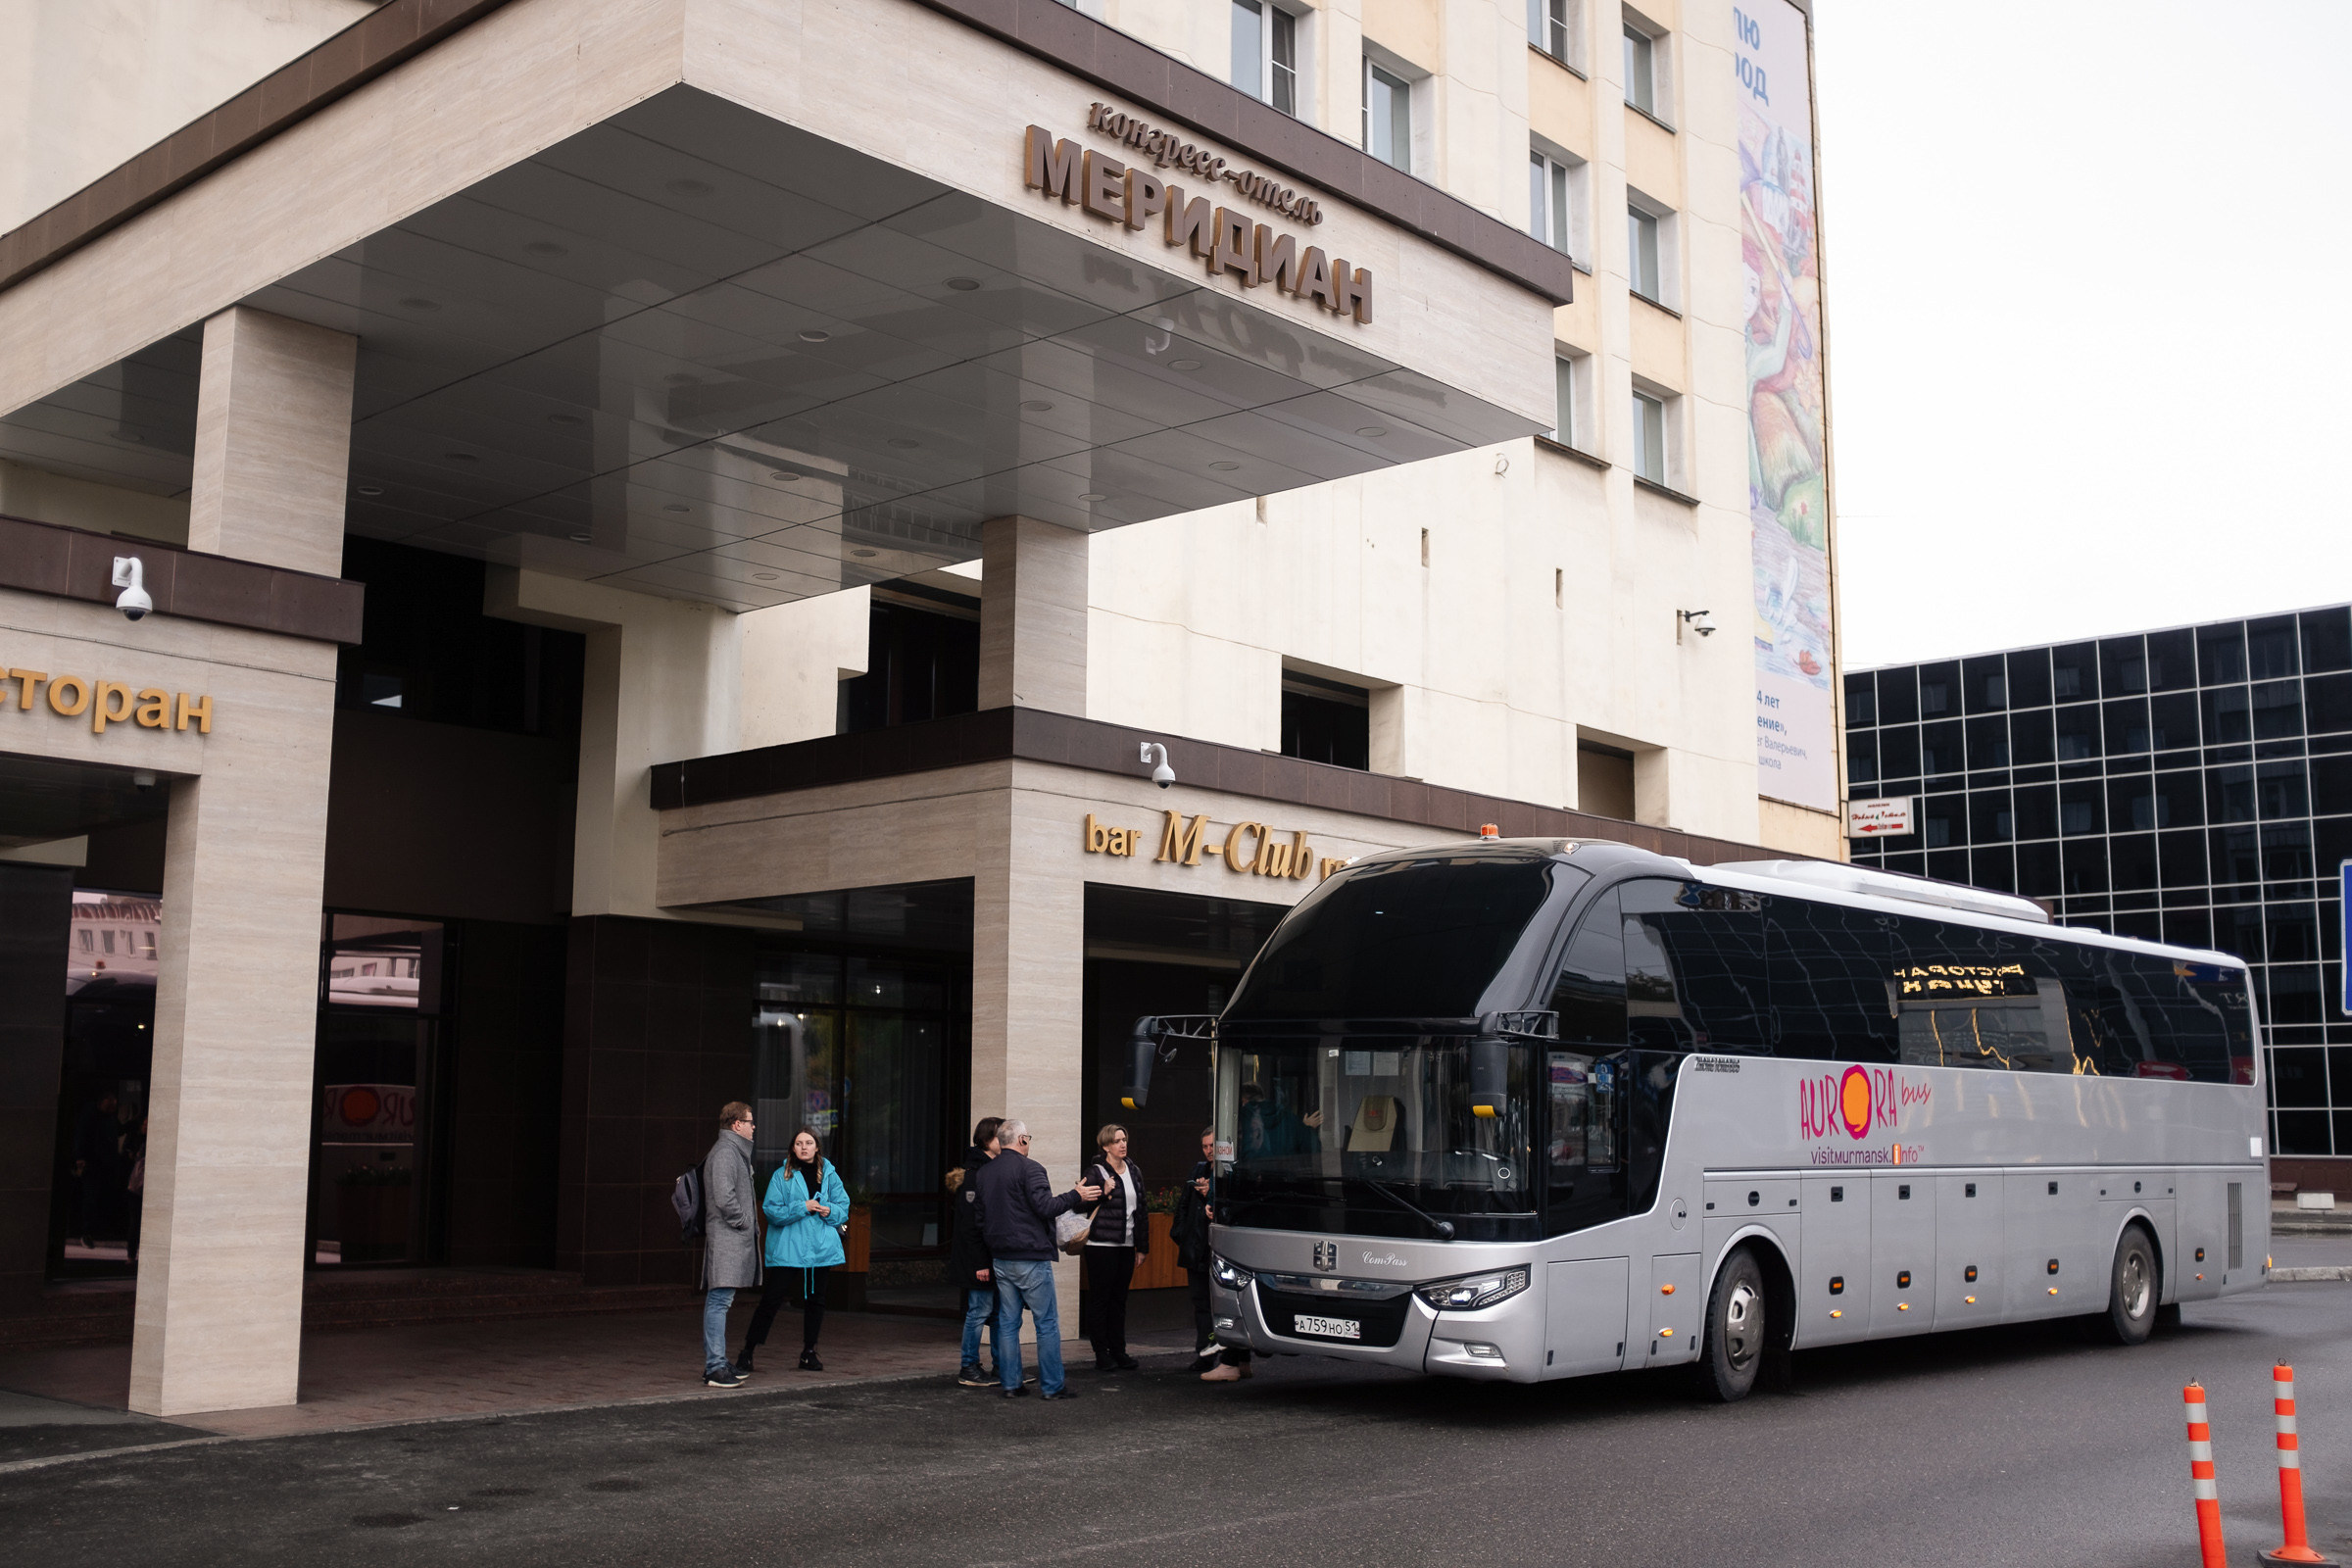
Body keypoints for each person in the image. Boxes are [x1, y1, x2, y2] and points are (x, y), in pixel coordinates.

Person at [970, 1118, 1102, 1400]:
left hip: (1001, 1258)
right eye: (1028, 1137)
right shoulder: (1032, 1169)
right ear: (1021, 1141)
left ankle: (1010, 1385)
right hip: (1030, 1256)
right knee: (1046, 1323)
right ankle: (1053, 1387)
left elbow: (980, 1219)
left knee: (1007, 1323)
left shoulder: (985, 1173)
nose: (1028, 1142)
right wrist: (1075, 1194)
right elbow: (1046, 1207)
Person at [738, 1128, 852, 1373]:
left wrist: (829, 1210)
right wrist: (804, 1206)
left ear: (816, 1147)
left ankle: (809, 1352)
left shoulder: (830, 1174)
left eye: (809, 1143)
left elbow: (844, 1207)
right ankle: (747, 1351)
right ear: (792, 1148)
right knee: (771, 1300)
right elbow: (771, 1211)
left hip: (820, 1249)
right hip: (788, 1249)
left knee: (816, 1301)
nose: (804, 1147)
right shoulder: (782, 1176)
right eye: (799, 1143)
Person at [699, 1102, 761, 1388]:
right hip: (727, 1238)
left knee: (722, 1300)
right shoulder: (726, 1152)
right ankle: (714, 1367)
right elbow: (724, 1198)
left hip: (729, 1238)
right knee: (719, 1301)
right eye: (750, 1122)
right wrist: (744, 1222)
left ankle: (719, 1363)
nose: (753, 1127)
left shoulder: (732, 1151)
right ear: (737, 1124)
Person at [1082, 1123, 1148, 1371]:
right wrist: (1102, 1193)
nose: (1123, 1144)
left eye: (1124, 1139)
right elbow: (1079, 1205)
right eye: (1117, 1141)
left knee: (1119, 1300)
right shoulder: (1096, 1171)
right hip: (1100, 1245)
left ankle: (1119, 1350)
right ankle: (1102, 1352)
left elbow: (1141, 1211)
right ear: (1106, 1146)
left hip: (1126, 1245)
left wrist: (1142, 1247)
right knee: (1101, 1299)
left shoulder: (1133, 1170)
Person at [947, 1116, 1004, 1389]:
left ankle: (1001, 1367)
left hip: (993, 1259)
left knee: (994, 1313)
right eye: (999, 1136)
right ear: (986, 1140)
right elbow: (970, 1225)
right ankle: (969, 1366)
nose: (1004, 1141)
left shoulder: (991, 1169)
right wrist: (982, 1262)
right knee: (979, 1311)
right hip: (980, 1261)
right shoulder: (976, 1174)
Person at [1171, 1125, 1218, 1373]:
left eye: (1212, 1146)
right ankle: (1204, 1353)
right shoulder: (1198, 1169)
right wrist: (1179, 1234)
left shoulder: (1229, 1172)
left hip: (1218, 1250)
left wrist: (1210, 1193)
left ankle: (1235, 1357)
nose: (1209, 1151)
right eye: (1205, 1146)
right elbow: (1183, 1205)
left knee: (1222, 1305)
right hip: (1196, 1248)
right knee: (1200, 1304)